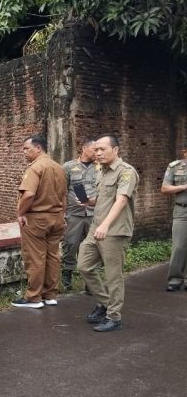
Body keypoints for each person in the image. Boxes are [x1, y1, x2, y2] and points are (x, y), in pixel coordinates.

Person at [78, 135, 139, 332]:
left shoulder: (126, 172)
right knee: (84, 266)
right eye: (96, 150)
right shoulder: (101, 171)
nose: (98, 153)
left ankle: (114, 317)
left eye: (103, 149)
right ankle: (105, 303)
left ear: (116, 150)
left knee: (113, 276)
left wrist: (105, 225)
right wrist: (89, 201)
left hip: (114, 231)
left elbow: (121, 201)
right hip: (97, 228)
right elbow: (105, 198)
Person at [12, 135, 67, 309]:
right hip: (56, 217)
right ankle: (50, 295)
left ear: (38, 148)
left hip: (37, 219)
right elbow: (64, 196)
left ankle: (33, 297)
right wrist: (62, 214)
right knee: (53, 257)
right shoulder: (59, 167)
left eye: (26, 148)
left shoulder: (35, 168)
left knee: (35, 258)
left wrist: (21, 213)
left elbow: (28, 194)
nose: (24, 152)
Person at [61, 139, 97, 291]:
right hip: (74, 214)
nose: (97, 153)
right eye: (94, 150)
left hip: (93, 214)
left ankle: (90, 283)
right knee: (70, 245)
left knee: (92, 248)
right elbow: (63, 191)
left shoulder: (100, 167)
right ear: (84, 149)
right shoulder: (68, 166)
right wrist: (62, 213)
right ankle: (67, 278)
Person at [161, 145, 187, 291]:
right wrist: (184, 186)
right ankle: (175, 279)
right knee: (178, 246)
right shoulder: (175, 167)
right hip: (181, 210)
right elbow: (165, 188)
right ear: (185, 152)